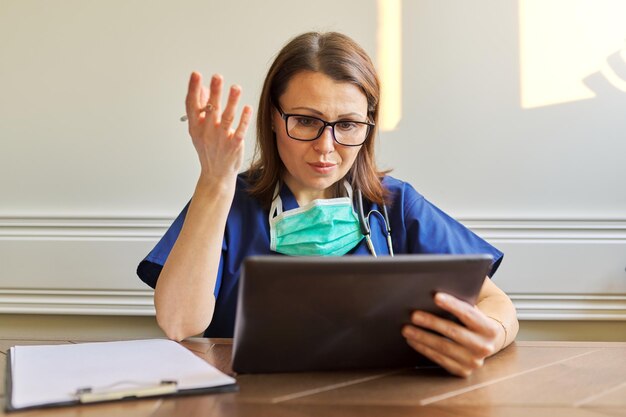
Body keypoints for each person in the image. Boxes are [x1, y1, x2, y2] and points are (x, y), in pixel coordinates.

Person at [137, 31, 519, 377]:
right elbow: (178, 322)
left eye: (348, 124)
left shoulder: (395, 205)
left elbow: (495, 302)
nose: (326, 146)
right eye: (306, 121)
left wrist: (491, 335)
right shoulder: (227, 202)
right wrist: (214, 181)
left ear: (368, 125)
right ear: (273, 118)